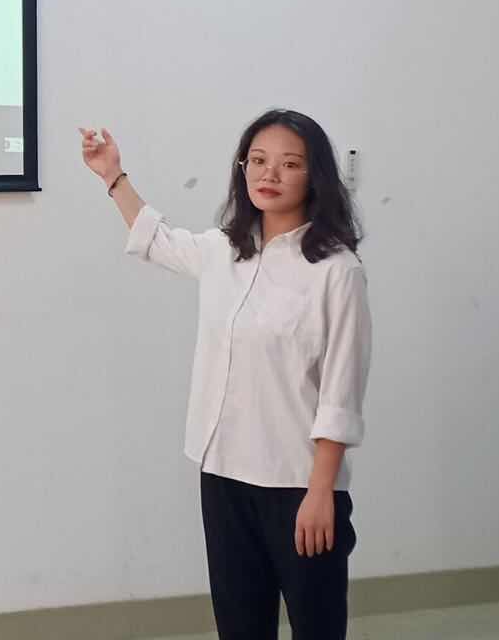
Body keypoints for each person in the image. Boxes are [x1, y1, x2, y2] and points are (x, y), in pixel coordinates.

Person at [80, 109, 372, 640]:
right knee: (240, 626)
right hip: (224, 475)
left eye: (289, 164)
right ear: (242, 168)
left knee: (318, 626)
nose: (269, 174)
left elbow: (340, 392)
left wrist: (321, 492)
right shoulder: (224, 250)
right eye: (257, 160)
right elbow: (158, 240)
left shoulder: (337, 271)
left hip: (298, 483)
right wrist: (113, 176)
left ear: (316, 177)